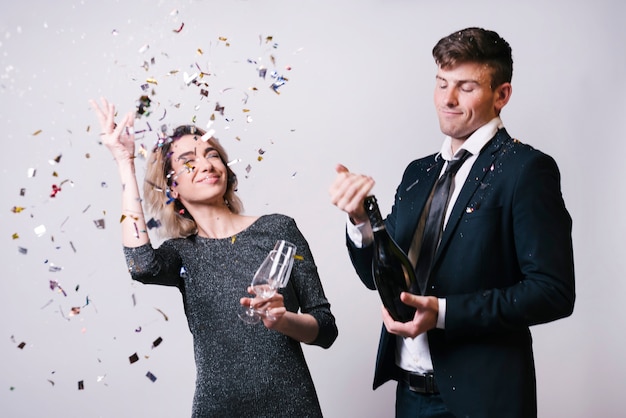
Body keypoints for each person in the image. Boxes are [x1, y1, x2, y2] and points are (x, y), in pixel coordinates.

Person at [329, 27, 575, 418]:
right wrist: (359, 220)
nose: (448, 99)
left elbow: (553, 292)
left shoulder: (527, 170)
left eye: (465, 86)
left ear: (502, 95)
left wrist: (443, 313)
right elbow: (380, 277)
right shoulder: (418, 173)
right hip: (409, 395)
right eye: (441, 83)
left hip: (485, 400)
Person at [90, 97, 338, 417]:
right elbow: (140, 265)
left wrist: (283, 320)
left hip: (292, 407)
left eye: (212, 154)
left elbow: (326, 329)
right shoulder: (182, 253)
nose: (206, 165)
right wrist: (125, 162)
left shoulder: (279, 229)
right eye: (189, 161)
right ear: (171, 186)